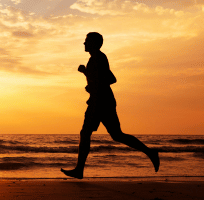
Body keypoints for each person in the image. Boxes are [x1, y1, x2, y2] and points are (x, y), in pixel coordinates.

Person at [61, 32, 160, 179]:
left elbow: (110, 79)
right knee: (114, 135)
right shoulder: (96, 58)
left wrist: (88, 76)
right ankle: (149, 152)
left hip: (100, 102)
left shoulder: (99, 58)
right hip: (100, 101)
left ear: (94, 43)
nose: (84, 43)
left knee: (89, 133)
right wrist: (87, 76)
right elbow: (104, 78)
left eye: (87, 41)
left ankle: (79, 170)